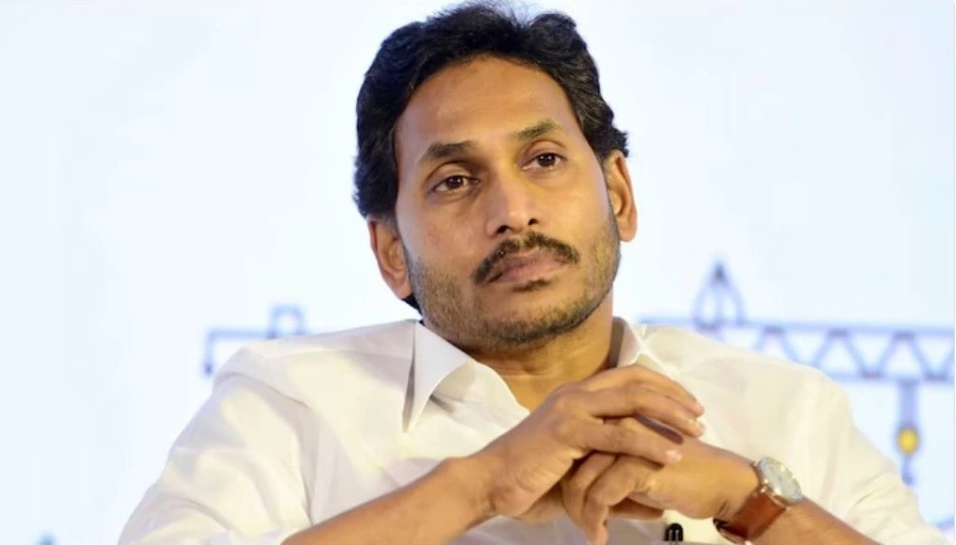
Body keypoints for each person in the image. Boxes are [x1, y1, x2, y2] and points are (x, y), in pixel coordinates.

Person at [119, 3, 947, 544]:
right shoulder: (290, 405)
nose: (512, 210)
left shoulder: (782, 411)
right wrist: (478, 484)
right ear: (391, 251)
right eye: (455, 180)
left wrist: (747, 500)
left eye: (544, 159)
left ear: (618, 194)